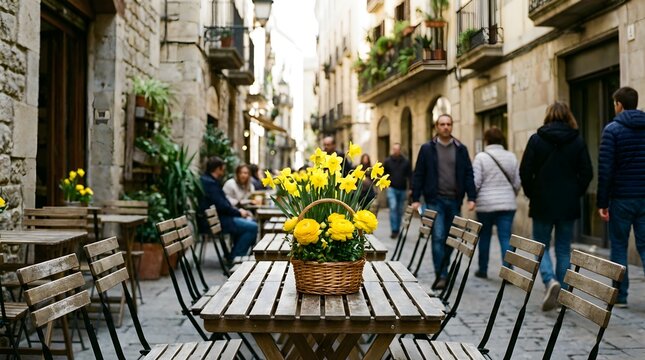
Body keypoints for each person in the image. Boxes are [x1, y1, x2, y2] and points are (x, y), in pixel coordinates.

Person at [520, 101, 592, 311]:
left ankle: (550, 281)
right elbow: (587, 172)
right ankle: (562, 295)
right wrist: (574, 193)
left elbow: (525, 171)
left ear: (548, 116)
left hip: (542, 201)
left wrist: (532, 193)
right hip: (567, 203)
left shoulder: (536, 139)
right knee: (563, 248)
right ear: (568, 116)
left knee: (540, 246)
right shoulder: (577, 140)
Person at [411, 114, 476, 289]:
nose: (445, 127)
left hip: (455, 200)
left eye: (448, 124)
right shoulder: (427, 149)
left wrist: (471, 197)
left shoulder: (461, 149)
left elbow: (468, 173)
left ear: (452, 126)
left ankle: (444, 268)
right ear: (436, 127)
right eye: (442, 124)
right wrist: (415, 199)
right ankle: (441, 274)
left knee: (452, 237)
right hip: (435, 200)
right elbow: (418, 174)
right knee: (438, 236)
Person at [597, 86, 645, 308]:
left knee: (618, 245)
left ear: (619, 104)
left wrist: (602, 202)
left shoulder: (613, 130)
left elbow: (606, 169)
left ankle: (621, 296)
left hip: (622, 198)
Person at [472, 128, 521, 279]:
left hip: (485, 205)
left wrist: (474, 197)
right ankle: (508, 272)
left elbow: (476, 182)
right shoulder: (511, 156)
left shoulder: (480, 157)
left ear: (486, 140)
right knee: (505, 237)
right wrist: (511, 195)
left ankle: (483, 269)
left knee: (485, 236)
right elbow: (517, 182)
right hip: (507, 204)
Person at [199, 157, 258, 262]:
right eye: (223, 169)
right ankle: (235, 258)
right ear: (218, 169)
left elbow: (224, 204)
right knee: (252, 227)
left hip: (221, 217)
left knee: (251, 223)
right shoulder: (211, 184)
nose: (224, 171)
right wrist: (238, 212)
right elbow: (223, 206)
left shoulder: (209, 181)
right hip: (220, 220)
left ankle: (234, 255)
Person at [383, 143, 412, 239]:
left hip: (402, 189)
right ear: (392, 150)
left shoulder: (406, 162)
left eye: (397, 149)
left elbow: (410, 175)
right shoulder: (387, 161)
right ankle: (394, 230)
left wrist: (410, 188)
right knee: (393, 207)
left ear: (400, 150)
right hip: (392, 188)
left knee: (399, 210)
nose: (396, 151)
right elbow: (384, 174)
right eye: (394, 149)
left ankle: (397, 229)